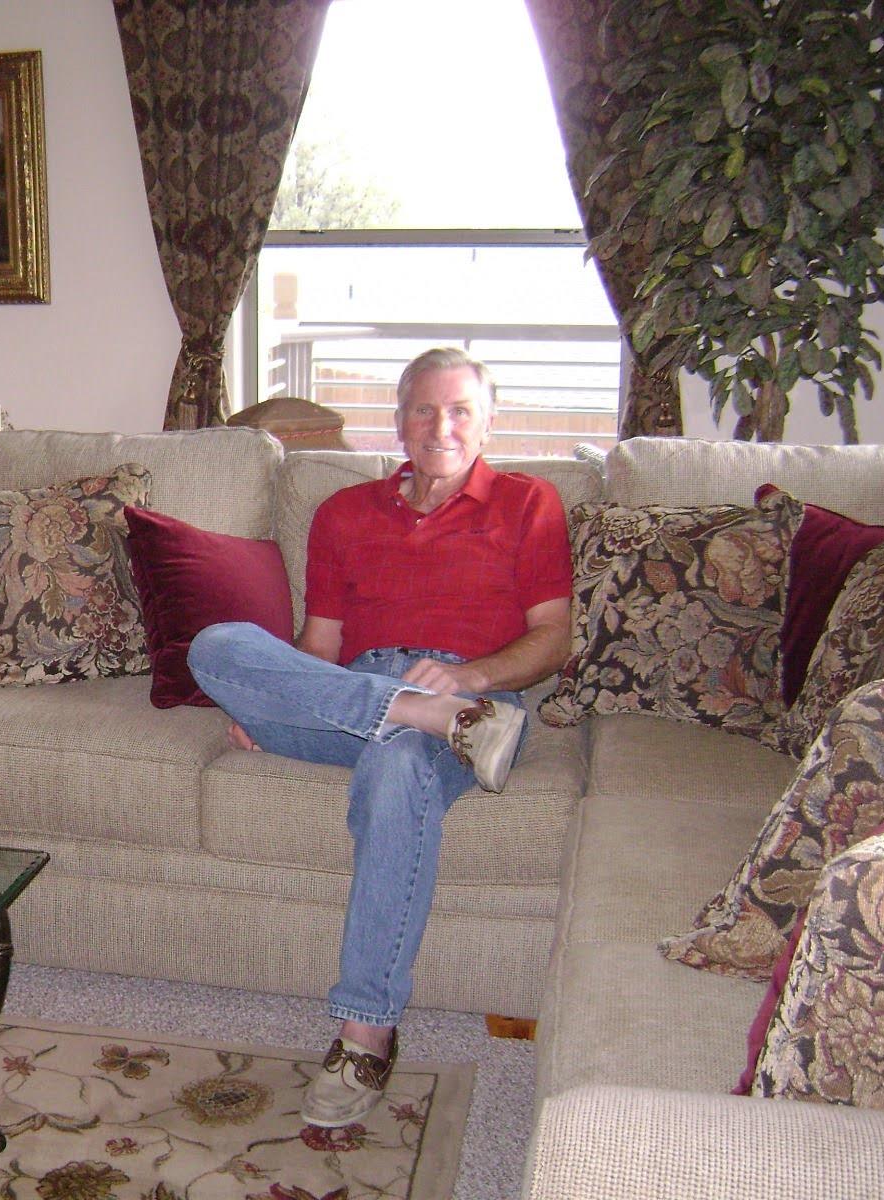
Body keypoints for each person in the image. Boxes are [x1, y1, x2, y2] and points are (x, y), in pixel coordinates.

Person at [186, 347, 572, 1127]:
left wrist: (469, 682)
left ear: (487, 420)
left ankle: (366, 1031)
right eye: (424, 410)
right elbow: (318, 647)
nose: (441, 426)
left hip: (472, 699)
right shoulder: (343, 514)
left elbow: (553, 640)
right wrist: (279, 695)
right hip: (369, 693)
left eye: (460, 409)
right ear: (399, 423)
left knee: (398, 772)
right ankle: (409, 711)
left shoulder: (529, 504)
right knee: (216, 646)